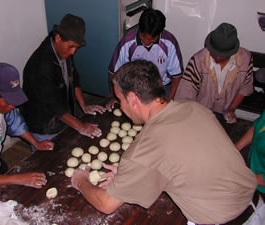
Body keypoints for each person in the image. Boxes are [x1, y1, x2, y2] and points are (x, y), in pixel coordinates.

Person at [71, 60, 257, 225]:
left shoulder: (146, 148)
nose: (121, 106)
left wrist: (81, 181)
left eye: (120, 100)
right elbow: (183, 158)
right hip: (254, 203)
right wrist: (132, 178)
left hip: (221, 219)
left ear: (133, 99)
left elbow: (106, 204)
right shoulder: (193, 107)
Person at [0, 63, 54, 203]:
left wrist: (36, 142)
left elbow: (15, 121)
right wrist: (21, 179)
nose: (13, 106)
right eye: (8, 102)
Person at [21, 13, 106, 142]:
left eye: (76, 48)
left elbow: (74, 77)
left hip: (60, 115)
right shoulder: (41, 66)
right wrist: (81, 126)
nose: (73, 52)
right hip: (43, 123)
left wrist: (83, 105)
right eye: (71, 46)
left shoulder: (64, 50)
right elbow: (52, 105)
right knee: (47, 159)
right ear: (58, 38)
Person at [175, 22, 253, 124]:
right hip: (199, 112)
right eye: (214, 52)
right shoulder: (198, 60)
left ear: (232, 52)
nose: (217, 57)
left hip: (224, 115)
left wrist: (232, 109)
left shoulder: (245, 59)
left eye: (221, 55)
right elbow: (184, 95)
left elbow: (245, 88)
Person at [106, 8, 183, 110]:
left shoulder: (169, 42)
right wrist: (114, 96)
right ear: (139, 29)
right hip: (135, 87)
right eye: (143, 37)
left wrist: (170, 99)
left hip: (162, 87)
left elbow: (177, 76)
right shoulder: (127, 42)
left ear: (160, 32)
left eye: (152, 39)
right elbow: (113, 73)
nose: (147, 42)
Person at [236, 112, 265, 199]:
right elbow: (257, 127)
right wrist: (235, 149)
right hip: (252, 170)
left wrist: (241, 177)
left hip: (261, 190)